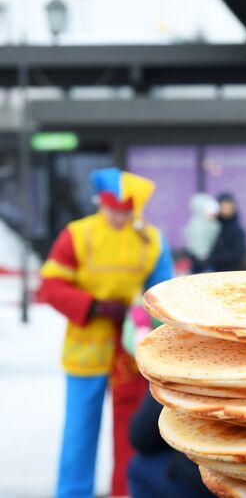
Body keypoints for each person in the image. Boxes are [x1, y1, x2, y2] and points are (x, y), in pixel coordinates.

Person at [39, 168, 174, 498]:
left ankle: (125, 492)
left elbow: (165, 290)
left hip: (130, 350)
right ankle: (71, 493)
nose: (119, 217)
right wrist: (95, 307)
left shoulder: (150, 239)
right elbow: (51, 285)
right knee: (79, 433)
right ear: (100, 202)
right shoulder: (77, 234)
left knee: (130, 431)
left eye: (125, 211)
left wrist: (145, 314)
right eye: (113, 209)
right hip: (87, 349)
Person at [207, 192, 245, 271]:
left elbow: (237, 256)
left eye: (228, 205)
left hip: (230, 273)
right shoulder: (211, 226)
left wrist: (210, 258)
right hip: (210, 272)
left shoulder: (237, 231)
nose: (226, 209)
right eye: (223, 206)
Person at [184, 192, 220, 273]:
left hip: (209, 256)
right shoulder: (197, 224)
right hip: (199, 257)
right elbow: (197, 240)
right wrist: (202, 253)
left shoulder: (214, 224)